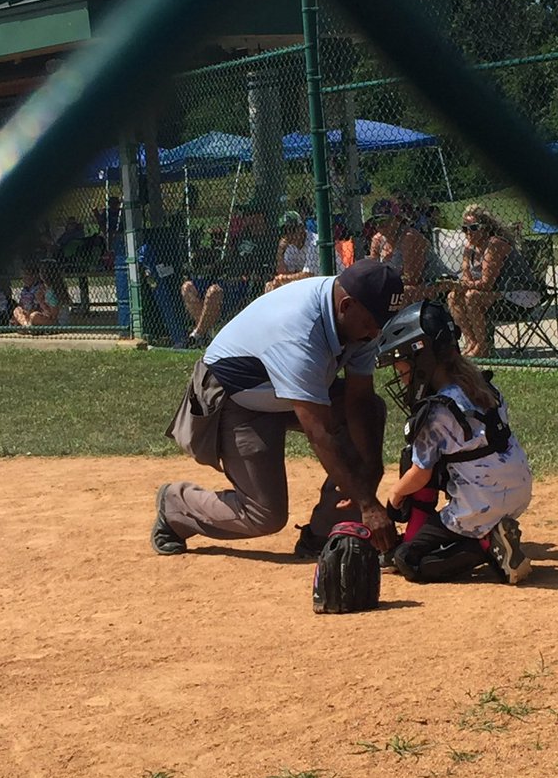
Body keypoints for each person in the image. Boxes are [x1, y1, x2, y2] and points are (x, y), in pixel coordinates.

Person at [152, 257, 405, 560]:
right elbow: (321, 432)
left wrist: (371, 472)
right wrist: (368, 504)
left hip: (287, 389)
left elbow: (360, 401)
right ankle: (176, 506)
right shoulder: (300, 332)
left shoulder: (358, 319)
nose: (375, 333)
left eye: (382, 323)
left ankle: (324, 534)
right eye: (370, 324)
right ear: (346, 306)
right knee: (264, 513)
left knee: (371, 414)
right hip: (237, 398)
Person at [376, 300, 533, 584]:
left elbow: (420, 473)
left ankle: (486, 544)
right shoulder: (484, 386)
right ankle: (492, 535)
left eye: (403, 371)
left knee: (409, 561)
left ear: (422, 359)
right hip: (518, 490)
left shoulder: (436, 411)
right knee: (439, 459)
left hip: (480, 505)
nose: (402, 379)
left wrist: (394, 495)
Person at [447, 205, 540, 358]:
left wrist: (461, 285)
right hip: (496, 294)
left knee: (472, 296)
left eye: (473, 227)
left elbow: (486, 284)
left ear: (484, 228)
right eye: (464, 228)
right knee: (453, 296)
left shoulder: (494, 244)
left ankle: (484, 348)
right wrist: (458, 285)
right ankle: (472, 343)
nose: (468, 232)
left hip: (520, 294)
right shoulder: (469, 248)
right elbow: (466, 279)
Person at [368, 201, 431, 306]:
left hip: (429, 283)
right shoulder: (377, 240)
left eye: (384, 220)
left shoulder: (409, 237)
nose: (380, 225)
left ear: (398, 220)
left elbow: (412, 278)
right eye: (376, 221)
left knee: (403, 293)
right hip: (395, 284)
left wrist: (382, 282)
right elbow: (372, 270)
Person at [181, 232, 225, 347]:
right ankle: (205, 333)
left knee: (213, 291)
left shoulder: (229, 247)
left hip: (226, 286)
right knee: (187, 287)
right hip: (204, 283)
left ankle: (197, 335)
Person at [265, 210, 319, 291]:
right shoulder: (290, 247)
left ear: (301, 228)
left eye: (291, 229)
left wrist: (281, 279)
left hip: (326, 282)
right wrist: (280, 254)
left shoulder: (314, 242)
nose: (289, 235)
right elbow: (285, 274)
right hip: (309, 285)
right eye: (284, 231)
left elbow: (309, 274)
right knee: (270, 286)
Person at [13, 257, 71, 327]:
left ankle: (29, 326)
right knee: (17, 310)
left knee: (34, 316)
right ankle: (27, 326)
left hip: (57, 322)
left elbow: (53, 316)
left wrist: (40, 301)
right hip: (48, 318)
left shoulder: (52, 292)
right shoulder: (44, 288)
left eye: (41, 272)